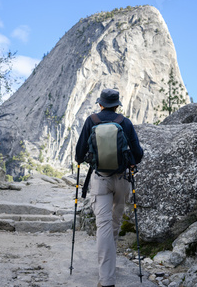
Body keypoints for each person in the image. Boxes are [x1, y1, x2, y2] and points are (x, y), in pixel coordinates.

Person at [75, 88, 144, 287]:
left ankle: (106, 278)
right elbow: (137, 155)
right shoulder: (125, 122)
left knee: (103, 225)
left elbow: (79, 155)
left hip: (101, 179)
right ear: (117, 105)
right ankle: (110, 267)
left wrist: (87, 157)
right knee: (115, 223)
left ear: (100, 104)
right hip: (122, 180)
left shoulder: (92, 121)